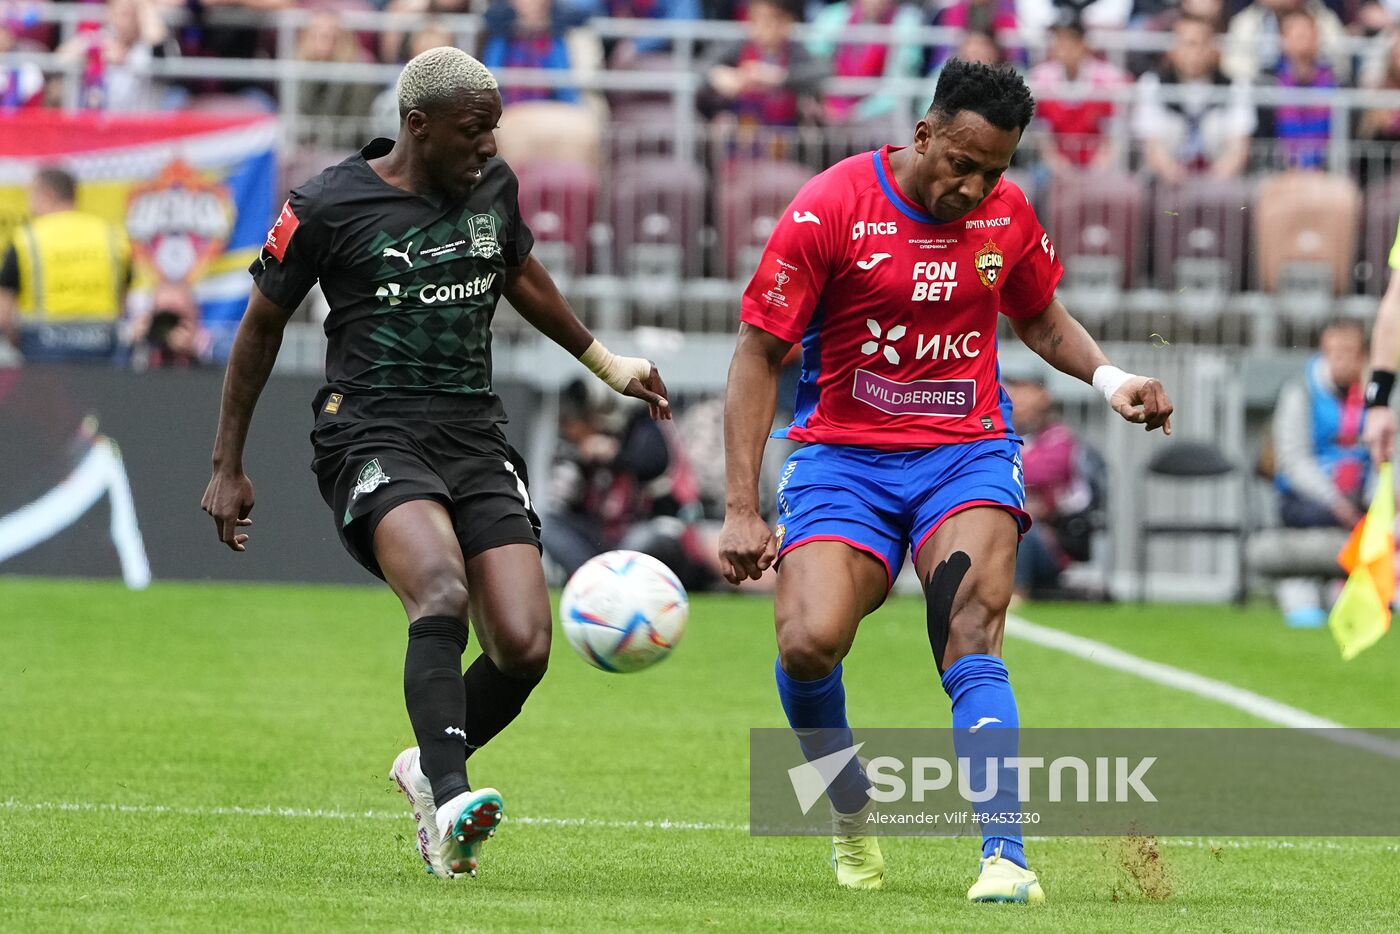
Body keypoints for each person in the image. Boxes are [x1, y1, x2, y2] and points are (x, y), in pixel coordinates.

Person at [199, 48, 670, 881]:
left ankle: (426, 765)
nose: (490, 146)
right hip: (369, 432)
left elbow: (519, 272)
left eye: (493, 130)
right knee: (441, 589)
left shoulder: (491, 188)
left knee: (524, 646)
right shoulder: (326, 205)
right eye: (473, 131)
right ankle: (451, 803)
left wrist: (609, 365)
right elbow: (259, 330)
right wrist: (227, 463)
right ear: (418, 126)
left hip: (473, 435)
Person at [718, 59, 1173, 903]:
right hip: (842, 457)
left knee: (971, 627)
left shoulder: (1007, 214)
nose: (974, 186)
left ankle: (1007, 858)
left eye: (993, 170)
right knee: (807, 641)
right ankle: (848, 810)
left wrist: (1113, 382)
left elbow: (1037, 314)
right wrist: (741, 506)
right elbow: (757, 352)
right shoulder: (831, 206)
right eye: (961, 163)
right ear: (922, 134)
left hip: (963, 452)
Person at [1271, 319, 1370, 626]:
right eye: (1334, 351)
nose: (1341, 359)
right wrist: (1334, 500)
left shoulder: (1377, 397)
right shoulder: (1301, 391)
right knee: (1314, 516)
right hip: (1311, 498)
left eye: (1349, 351)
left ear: (1363, 356)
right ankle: (1301, 594)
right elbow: (1294, 459)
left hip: (1361, 494)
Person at [0, 167, 131, 361]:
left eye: (31, 196)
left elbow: (4, 310)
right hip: (101, 348)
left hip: (42, 348)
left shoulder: (27, 239)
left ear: (47, 194)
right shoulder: (111, 236)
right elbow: (123, 297)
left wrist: (17, 343)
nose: (30, 205)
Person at [1004, 374, 1100, 600]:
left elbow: (1039, 473)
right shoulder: (1004, 435)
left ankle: (1018, 592)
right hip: (1006, 534)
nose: (1017, 399)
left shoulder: (1060, 439)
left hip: (1053, 542)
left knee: (1020, 521)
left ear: (1043, 398)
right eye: (1013, 391)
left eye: (1023, 392)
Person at [1133, 14, 1255, 183]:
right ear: (1172, 48)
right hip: (1165, 184)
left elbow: (1239, 147)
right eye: (1188, 44)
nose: (1194, 52)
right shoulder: (1152, 83)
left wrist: (1212, 182)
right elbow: (1151, 145)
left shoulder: (1236, 86)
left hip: (1220, 186)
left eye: (1201, 44)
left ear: (1214, 49)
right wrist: (1175, 176)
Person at [1027, 9, 1130, 173]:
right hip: (1053, 168)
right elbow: (1041, 132)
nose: (1062, 45)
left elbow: (1114, 133)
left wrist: (1098, 168)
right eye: (1058, 38)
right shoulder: (1039, 78)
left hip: (1099, 167)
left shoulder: (1109, 78)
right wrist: (1057, 164)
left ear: (1083, 43)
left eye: (1069, 39)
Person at [699, 0, 827, 128]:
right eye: (755, 19)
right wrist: (720, 75)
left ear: (787, 22)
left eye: (770, 19)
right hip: (743, 131)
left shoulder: (796, 50)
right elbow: (701, 65)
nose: (761, 27)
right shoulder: (739, 46)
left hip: (785, 134)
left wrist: (779, 78)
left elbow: (824, 69)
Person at [1256, 9, 1339, 170]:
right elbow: (1265, 135)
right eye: (1295, 34)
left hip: (1324, 171)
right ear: (1282, 40)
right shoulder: (1268, 82)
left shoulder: (1335, 82)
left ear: (1317, 38)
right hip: (1280, 170)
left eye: (1306, 34)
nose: (1301, 40)